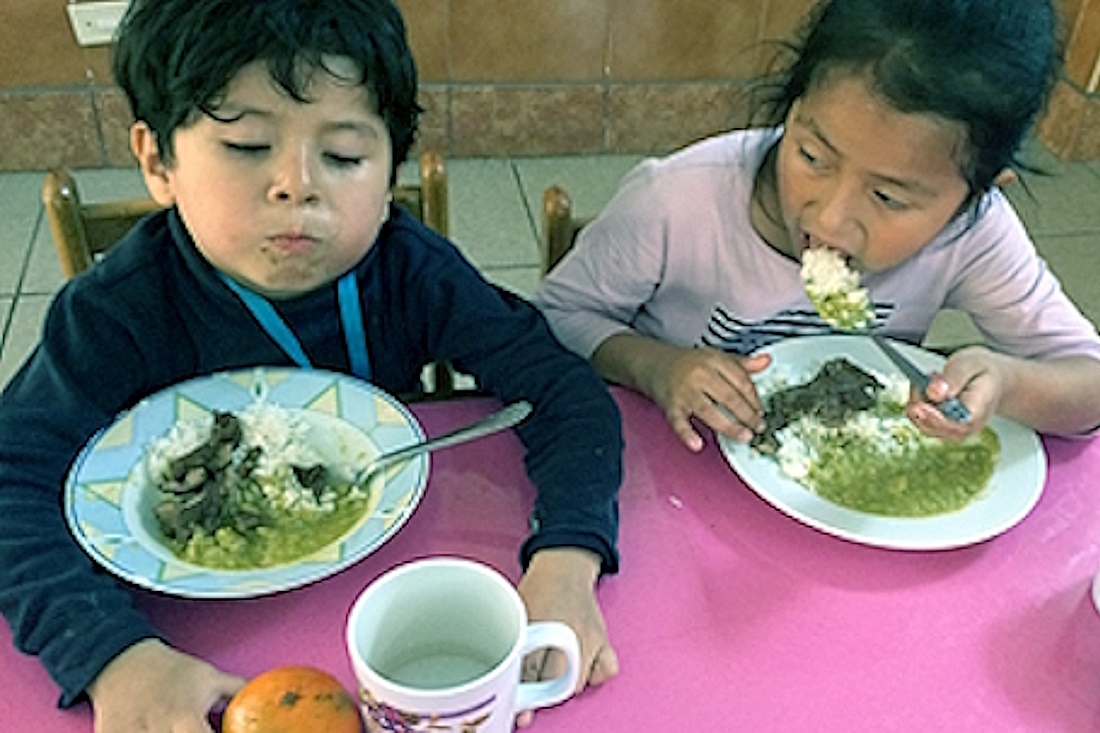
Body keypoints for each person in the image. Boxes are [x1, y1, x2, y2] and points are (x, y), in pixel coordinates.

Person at [0, 1, 622, 730]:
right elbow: (12, 480)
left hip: (398, 610)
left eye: (345, 156)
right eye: (246, 146)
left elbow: (564, 392)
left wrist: (567, 557)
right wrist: (111, 654)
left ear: (389, 173)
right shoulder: (115, 311)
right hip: (199, 647)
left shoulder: (411, 274)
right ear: (156, 160)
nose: (297, 186)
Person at [534, 0, 1100, 451]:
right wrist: (659, 367)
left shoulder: (972, 234)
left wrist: (1007, 382)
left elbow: (1089, 385)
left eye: (887, 196)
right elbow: (557, 316)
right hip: (671, 466)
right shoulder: (678, 199)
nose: (829, 218)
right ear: (792, 105)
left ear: (976, 192)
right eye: (811, 156)